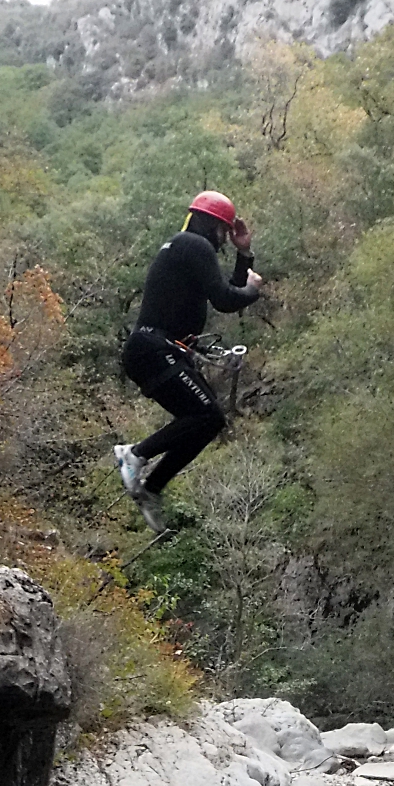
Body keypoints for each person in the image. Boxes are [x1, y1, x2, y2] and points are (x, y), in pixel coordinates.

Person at [115, 190, 263, 533]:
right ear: (214, 227)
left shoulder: (186, 248)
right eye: (225, 232)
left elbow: (228, 291)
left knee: (208, 421)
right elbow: (229, 299)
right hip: (155, 348)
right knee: (207, 414)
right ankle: (134, 455)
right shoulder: (195, 245)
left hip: (153, 350)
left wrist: (244, 254)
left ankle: (150, 488)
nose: (225, 238)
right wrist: (254, 290)